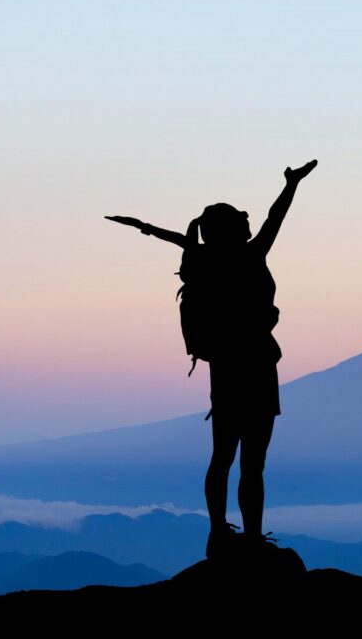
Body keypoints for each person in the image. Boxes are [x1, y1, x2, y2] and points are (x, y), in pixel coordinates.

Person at [106, 159, 317, 558]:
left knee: (222, 456)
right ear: (234, 230)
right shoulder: (252, 256)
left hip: (225, 368)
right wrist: (291, 185)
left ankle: (218, 531)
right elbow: (276, 218)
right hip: (258, 365)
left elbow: (179, 241)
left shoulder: (204, 262)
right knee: (253, 461)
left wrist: (144, 227)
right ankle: (251, 538)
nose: (248, 225)